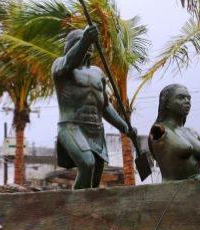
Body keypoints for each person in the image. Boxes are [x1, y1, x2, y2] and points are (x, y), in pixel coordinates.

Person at [53, 24, 140, 190]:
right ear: (71, 46)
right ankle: (77, 208)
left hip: (96, 131)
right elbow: (68, 63)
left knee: (93, 180)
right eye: (81, 42)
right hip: (71, 127)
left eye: (89, 42)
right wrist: (85, 40)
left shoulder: (98, 73)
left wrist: (125, 127)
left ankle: (89, 210)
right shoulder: (61, 66)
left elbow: (105, 107)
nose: (88, 46)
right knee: (87, 164)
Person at [147, 84, 200, 181]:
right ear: (167, 103)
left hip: (195, 190)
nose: (187, 101)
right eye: (181, 98)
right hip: (172, 192)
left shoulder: (192, 132)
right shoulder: (159, 130)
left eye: (189, 98)